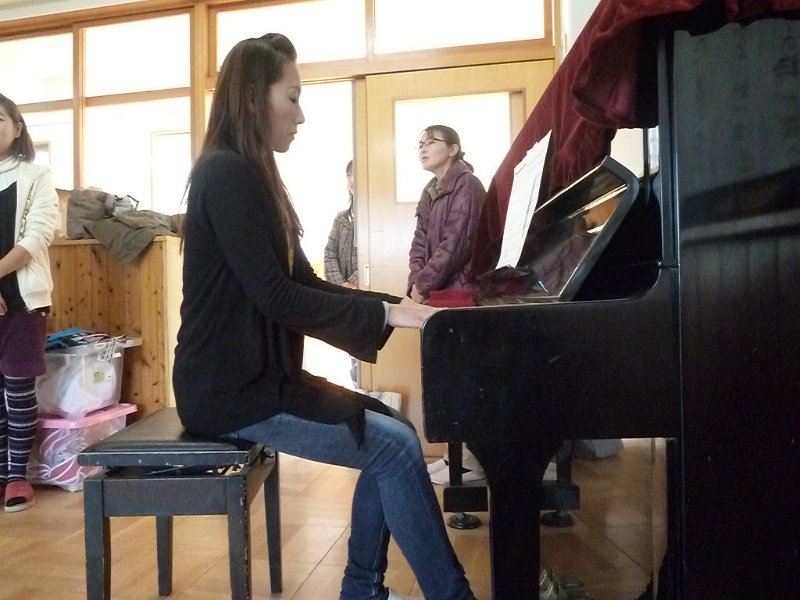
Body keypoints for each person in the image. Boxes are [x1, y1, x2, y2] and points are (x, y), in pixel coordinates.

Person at [172, 34, 477, 600]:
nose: (301, 114)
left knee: (397, 431)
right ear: (254, 99)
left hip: (260, 378)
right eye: (292, 97)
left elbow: (304, 282)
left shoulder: (254, 175)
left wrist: (395, 307)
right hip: (228, 389)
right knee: (392, 447)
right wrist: (388, 313)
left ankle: (362, 589)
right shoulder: (224, 174)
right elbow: (278, 297)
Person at [406, 125, 487, 486]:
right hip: (437, 296)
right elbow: (419, 243)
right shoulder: (431, 191)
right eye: (420, 143)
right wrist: (415, 282)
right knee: (447, 379)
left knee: (464, 379)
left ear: (453, 149)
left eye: (431, 142)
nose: (423, 148)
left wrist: (422, 285)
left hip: (462, 295)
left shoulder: (467, 185)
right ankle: (454, 457)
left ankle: (472, 462)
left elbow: (456, 245)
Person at [0, 93, 60, 512]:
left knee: (17, 389)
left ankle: (17, 477)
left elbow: (37, 236)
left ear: (17, 128)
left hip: (24, 300)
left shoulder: (37, 175)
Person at [323, 159, 360, 386]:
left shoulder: (375, 216)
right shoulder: (341, 219)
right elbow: (329, 253)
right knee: (352, 351)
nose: (352, 179)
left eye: (356, 173)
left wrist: (356, 282)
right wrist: (341, 284)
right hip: (345, 294)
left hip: (365, 290)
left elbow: (374, 259)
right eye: (349, 174)